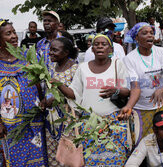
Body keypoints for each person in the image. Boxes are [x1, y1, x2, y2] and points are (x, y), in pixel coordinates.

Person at [56, 34, 130, 166]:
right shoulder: (82, 68)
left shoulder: (117, 65)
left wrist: (116, 90)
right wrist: (58, 85)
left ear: (110, 50)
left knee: (116, 158)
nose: (100, 46)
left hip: (113, 121)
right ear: (92, 49)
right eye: (96, 44)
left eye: (104, 44)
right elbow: (74, 93)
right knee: (91, 160)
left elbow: (127, 91)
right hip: (89, 123)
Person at [0, 19, 48, 166]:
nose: (14, 36)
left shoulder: (29, 56)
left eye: (14, 32)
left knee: (37, 159)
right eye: (8, 33)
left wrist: (46, 99)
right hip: (9, 127)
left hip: (35, 122)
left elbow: (46, 82)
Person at [121, 22, 163, 146]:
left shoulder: (161, 52)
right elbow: (135, 87)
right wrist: (129, 106)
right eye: (144, 33)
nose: (149, 35)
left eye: (151, 33)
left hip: (160, 107)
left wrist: (162, 89)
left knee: (162, 141)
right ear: (136, 38)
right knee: (142, 144)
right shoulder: (129, 59)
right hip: (141, 109)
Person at [41, 37, 79, 166]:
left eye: (55, 50)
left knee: (69, 156)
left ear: (66, 52)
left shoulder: (76, 69)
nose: (50, 53)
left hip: (68, 120)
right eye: (50, 49)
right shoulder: (50, 67)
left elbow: (75, 95)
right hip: (51, 121)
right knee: (53, 156)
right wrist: (44, 101)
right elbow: (46, 89)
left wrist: (59, 89)